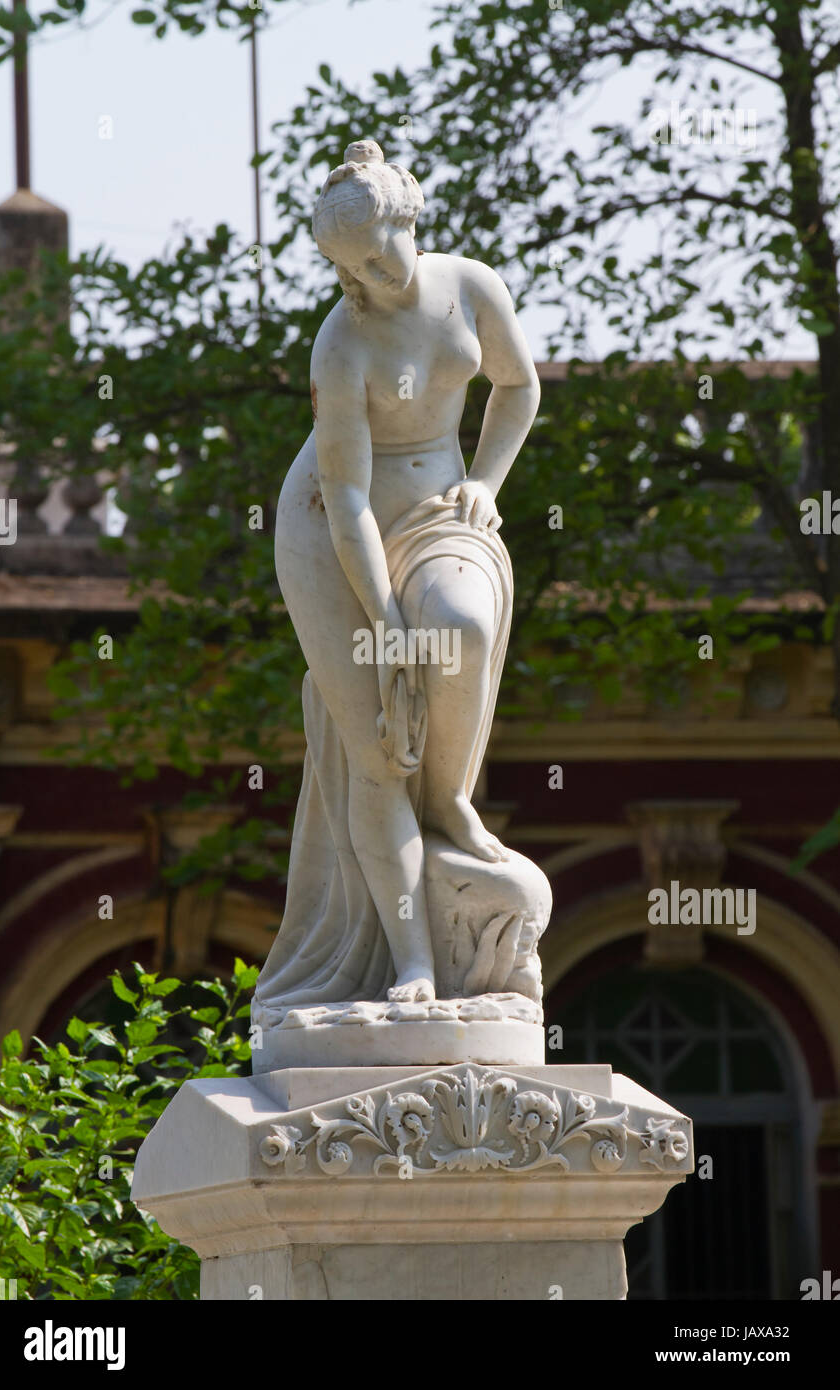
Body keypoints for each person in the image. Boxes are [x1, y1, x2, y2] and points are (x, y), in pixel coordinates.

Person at [253, 138, 540, 1012]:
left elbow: (518, 386)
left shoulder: (471, 286)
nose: (371, 281)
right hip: (330, 531)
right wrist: (383, 626)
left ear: (407, 217)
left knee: (460, 629)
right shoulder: (340, 346)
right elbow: (343, 499)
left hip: (438, 503)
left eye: (380, 256)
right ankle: (414, 960)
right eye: (350, 271)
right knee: (379, 746)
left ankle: (450, 799)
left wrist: (484, 487)